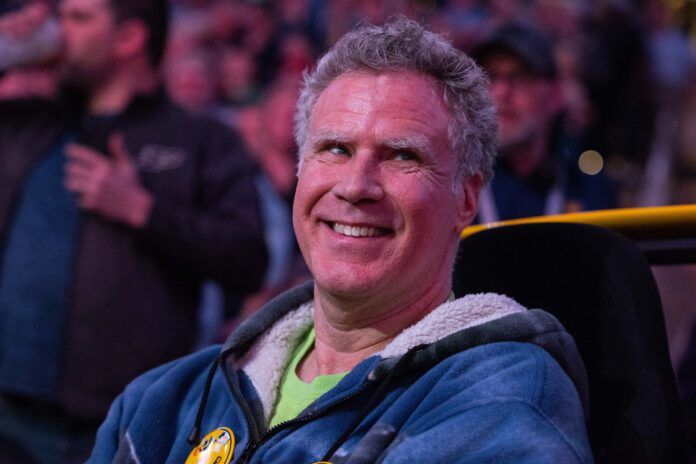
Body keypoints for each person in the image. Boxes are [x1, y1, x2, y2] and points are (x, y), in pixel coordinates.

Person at [88, 17, 593, 463]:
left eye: (401, 155)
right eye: (335, 148)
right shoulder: (158, 403)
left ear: (466, 199)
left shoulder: (502, 399)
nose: (355, 186)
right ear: (301, 170)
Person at [0, 0, 267, 462]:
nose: (59, 32)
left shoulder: (200, 139)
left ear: (129, 38)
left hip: (125, 426)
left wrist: (142, 210)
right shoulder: (31, 122)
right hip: (8, 415)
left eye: (78, 18)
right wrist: (8, 42)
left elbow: (248, 259)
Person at [472, 22, 616, 222]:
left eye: (518, 77)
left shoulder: (589, 191)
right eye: (490, 77)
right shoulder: (456, 187)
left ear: (555, 95)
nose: (500, 92)